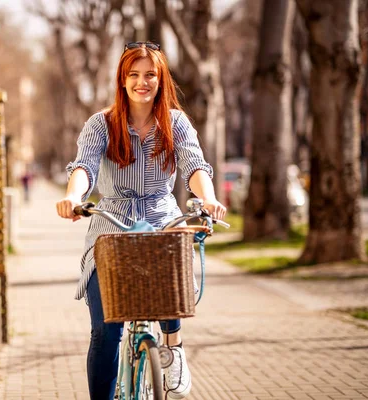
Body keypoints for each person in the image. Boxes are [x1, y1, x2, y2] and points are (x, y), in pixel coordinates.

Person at [55, 41, 227, 400]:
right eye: (133, 74)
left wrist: (208, 199)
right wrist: (74, 196)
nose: (141, 82)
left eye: (150, 74)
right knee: (106, 333)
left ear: (161, 79)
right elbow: (84, 165)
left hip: (161, 217)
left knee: (174, 264)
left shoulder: (175, 122)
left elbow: (194, 164)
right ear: (122, 79)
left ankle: (173, 345)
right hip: (112, 225)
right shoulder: (101, 124)